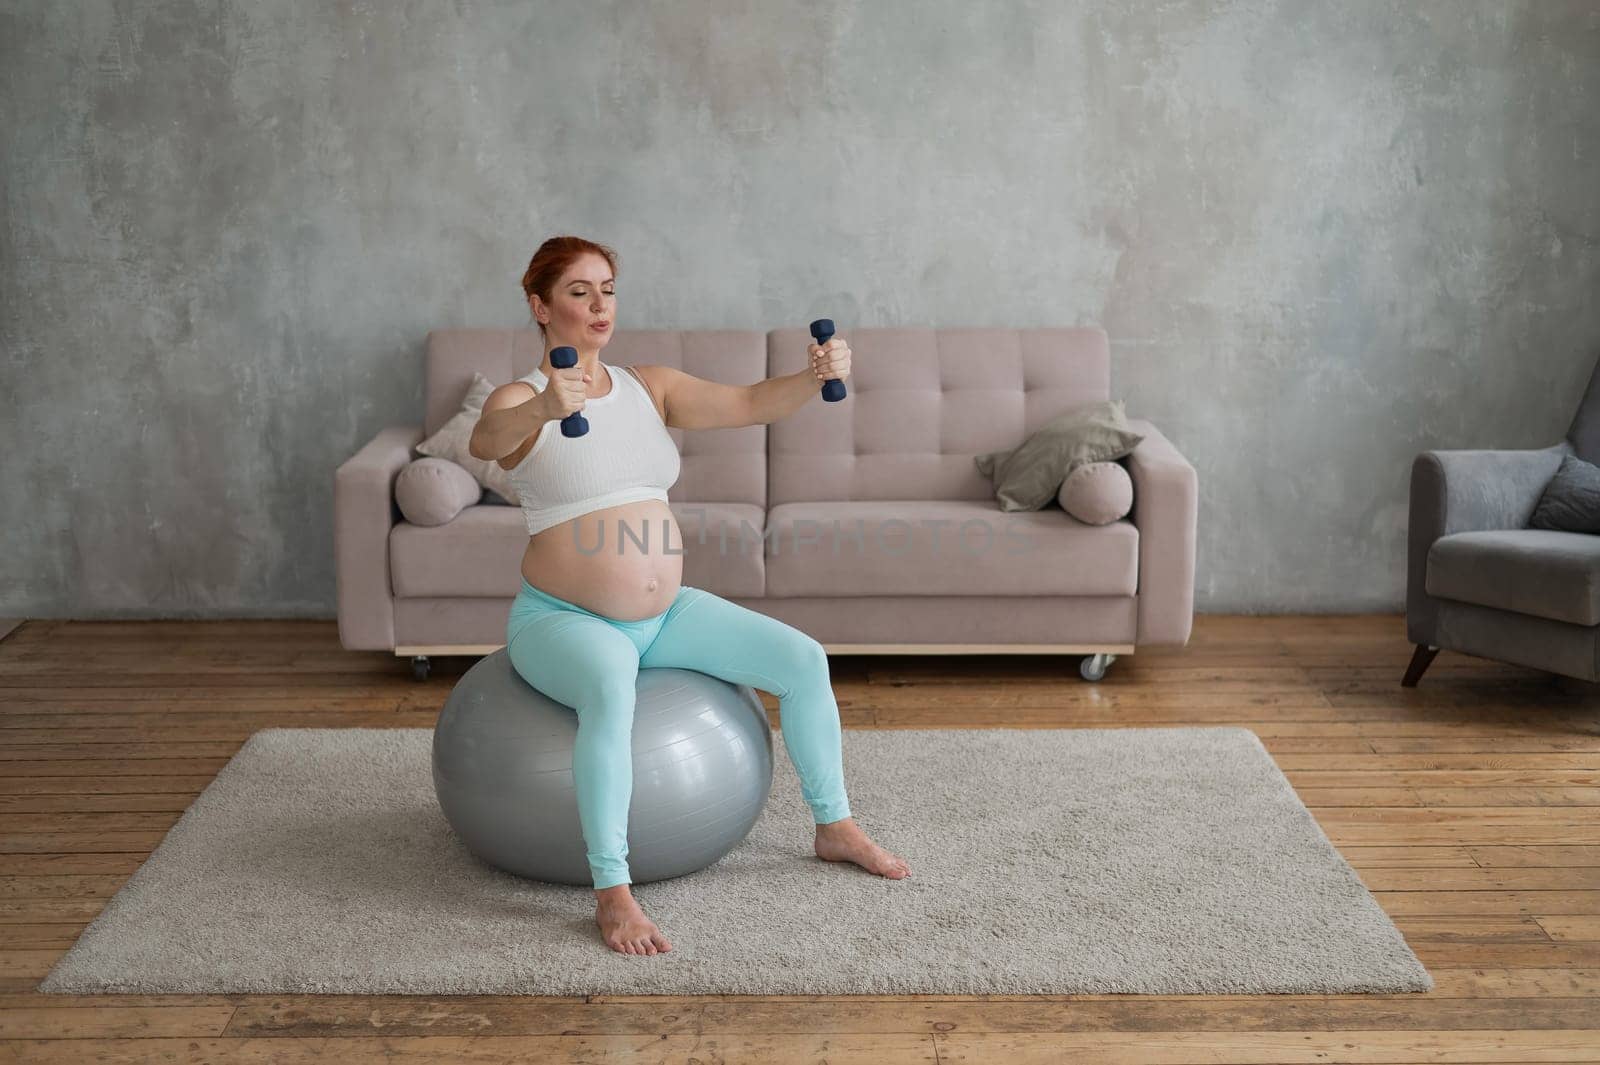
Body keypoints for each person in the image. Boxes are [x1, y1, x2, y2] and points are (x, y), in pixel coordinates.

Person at [468, 236, 911, 957]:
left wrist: (812, 375)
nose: (599, 304)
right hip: (566, 618)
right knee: (612, 684)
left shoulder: (650, 386)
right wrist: (549, 404)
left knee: (802, 659)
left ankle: (835, 826)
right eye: (579, 291)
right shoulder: (523, 398)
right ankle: (612, 891)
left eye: (607, 288)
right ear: (539, 304)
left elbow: (747, 402)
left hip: (664, 613)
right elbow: (489, 439)